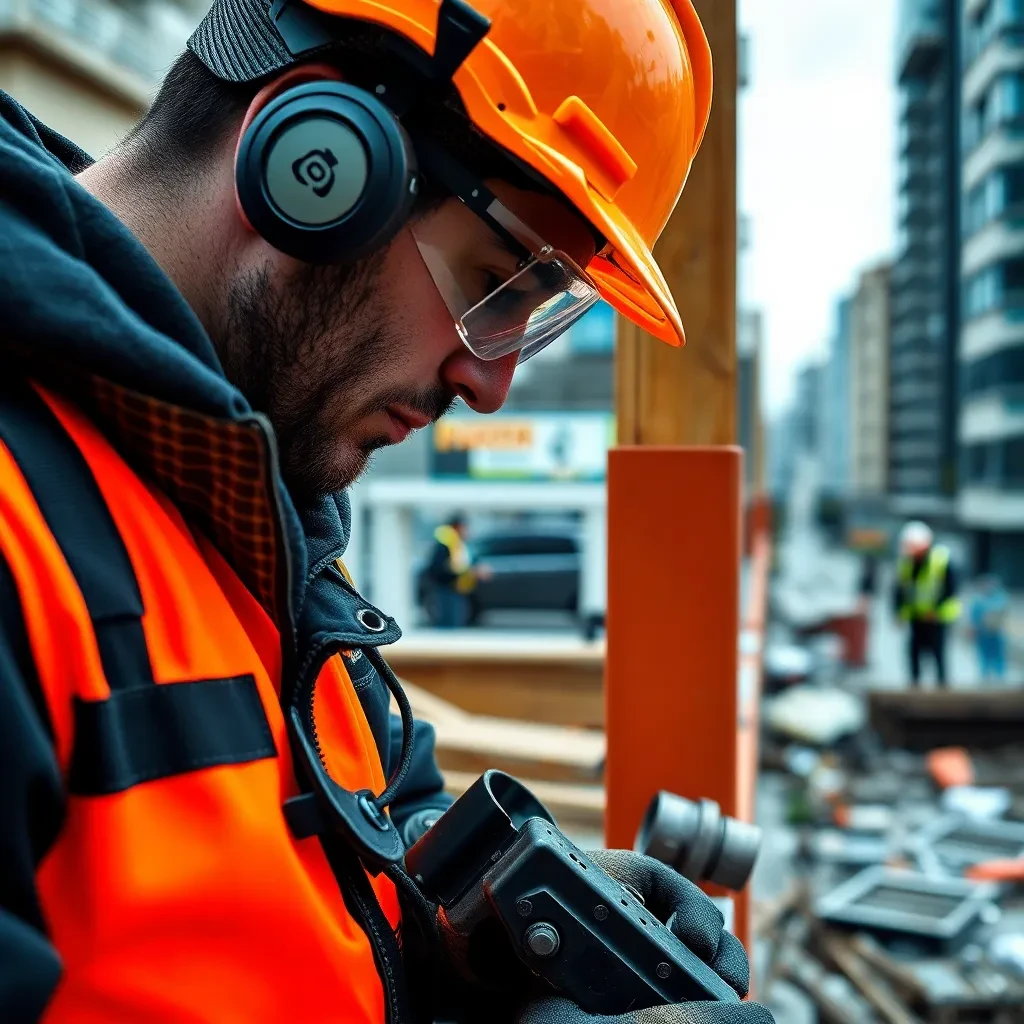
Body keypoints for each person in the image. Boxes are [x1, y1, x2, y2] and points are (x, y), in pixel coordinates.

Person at [0, 0, 773, 1021]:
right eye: (493, 285)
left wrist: (470, 927)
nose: (487, 382)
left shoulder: (260, 509)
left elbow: (319, 881)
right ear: (313, 162)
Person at [893, 521, 961, 687]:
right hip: (916, 616)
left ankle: (942, 687)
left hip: (937, 618)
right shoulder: (907, 563)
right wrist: (898, 612)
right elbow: (900, 590)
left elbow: (951, 588)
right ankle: (914, 685)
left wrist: (936, 610)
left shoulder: (941, 560)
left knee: (938, 652)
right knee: (914, 652)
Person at [425, 512, 485, 627]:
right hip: (448, 587)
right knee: (449, 623)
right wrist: (467, 572)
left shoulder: (453, 541)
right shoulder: (447, 542)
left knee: (451, 621)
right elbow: (445, 567)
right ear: (457, 526)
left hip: (455, 587)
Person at [970, 574, 1010, 682]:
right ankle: (985, 675)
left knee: (998, 655)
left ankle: (1000, 676)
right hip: (983, 633)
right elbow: (974, 617)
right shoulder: (978, 600)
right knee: (984, 655)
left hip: (996, 632)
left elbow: (1002, 611)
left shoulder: (1000, 598)